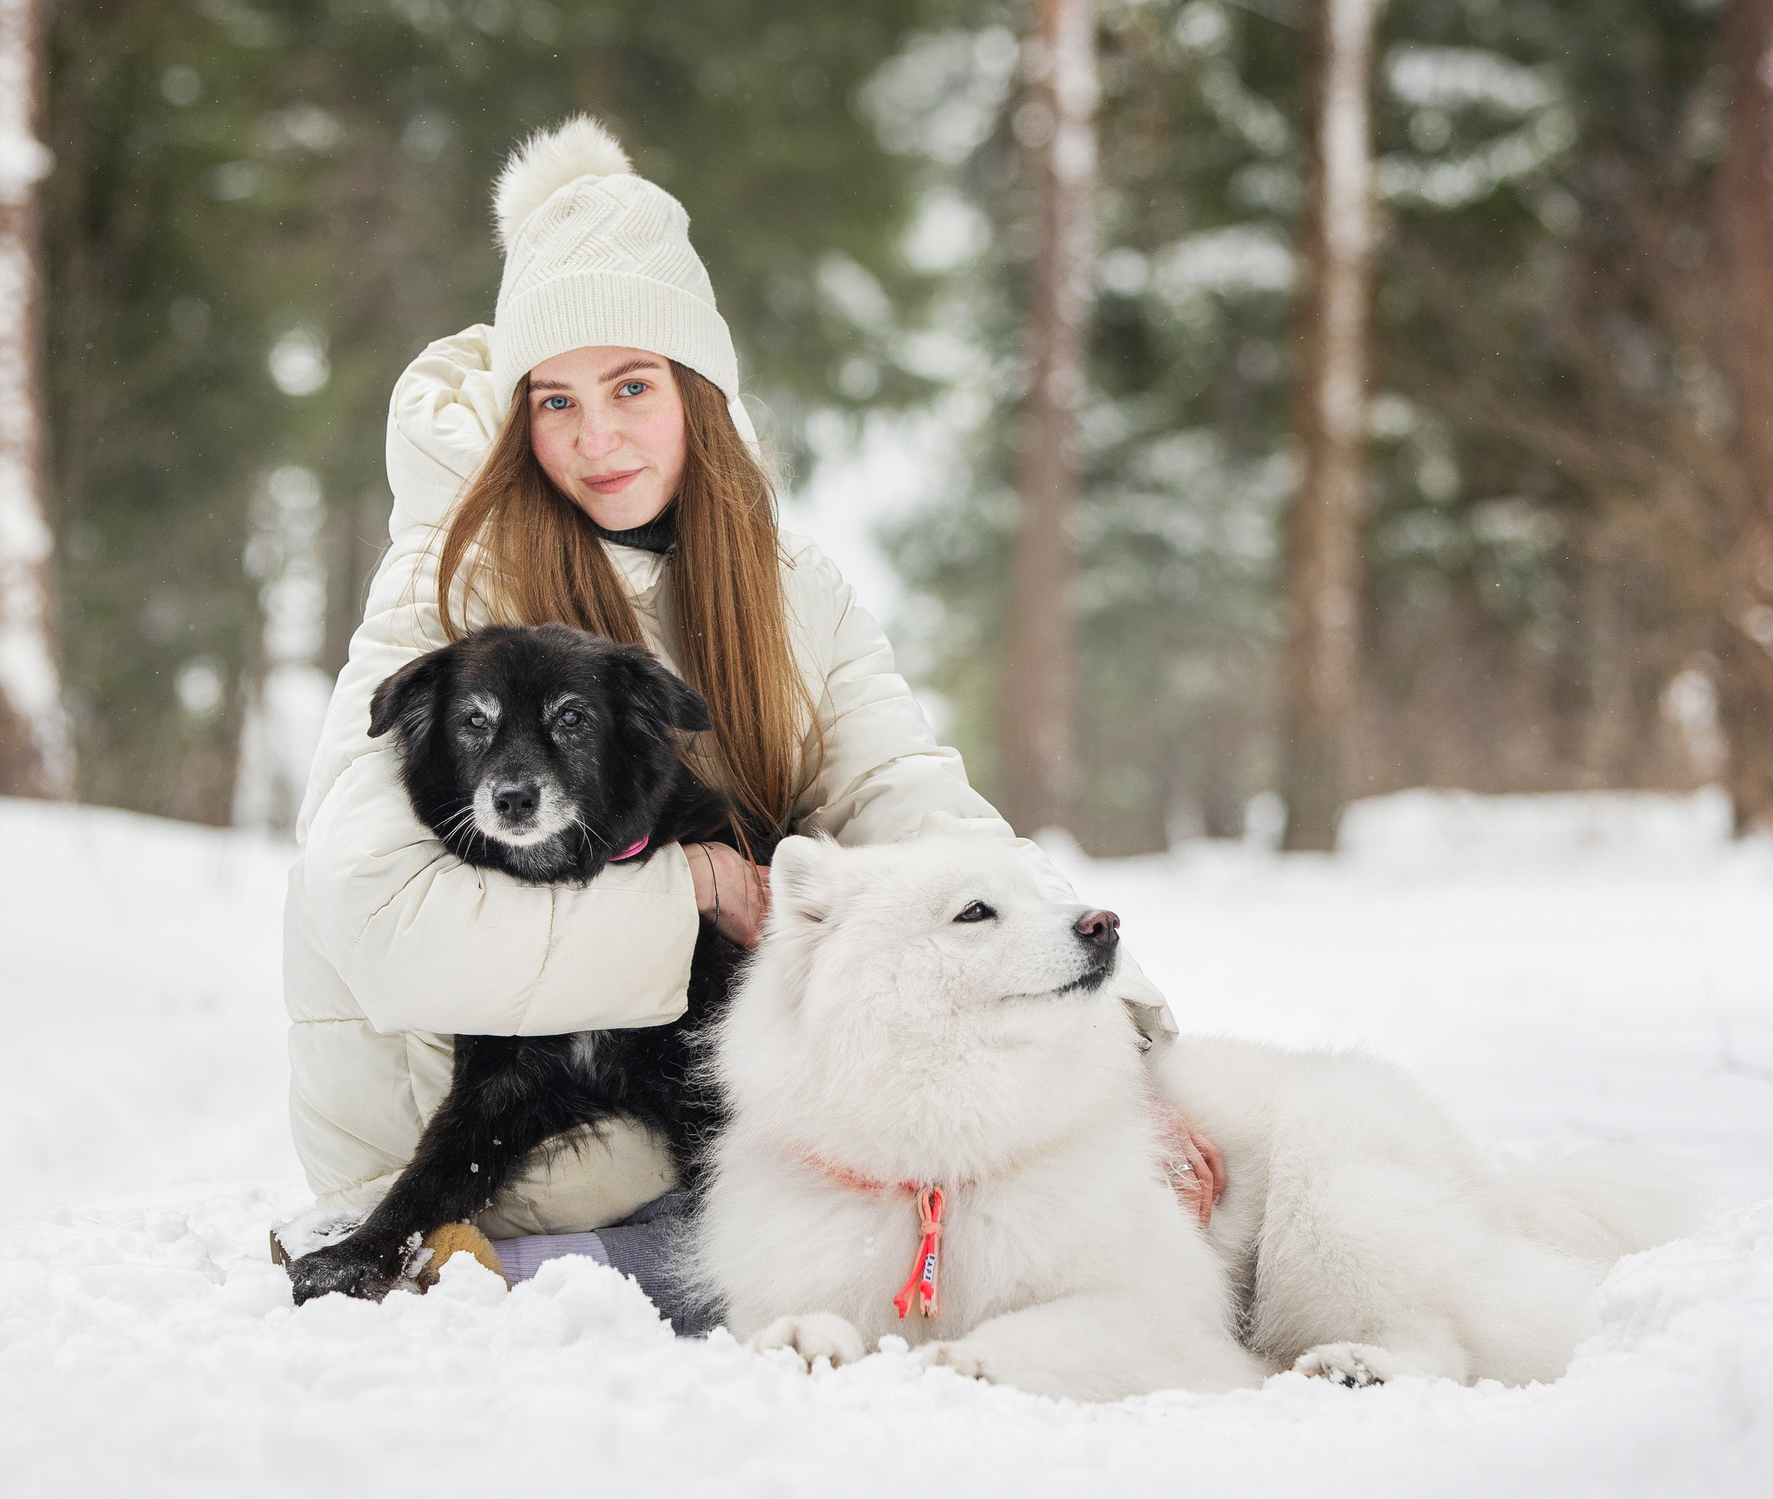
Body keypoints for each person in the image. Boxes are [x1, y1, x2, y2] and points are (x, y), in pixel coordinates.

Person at [282, 118, 1211, 1316]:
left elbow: (912, 809)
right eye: (554, 402)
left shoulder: (788, 590)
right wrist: (693, 893)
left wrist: (1121, 1045)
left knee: (959, 1117)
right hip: (455, 1113)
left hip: (662, 1069)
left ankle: (666, 1267)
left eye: (631, 388)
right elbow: (383, 925)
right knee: (832, 1173)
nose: (595, 437)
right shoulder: (444, 583)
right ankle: (482, 1267)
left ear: (697, 394)